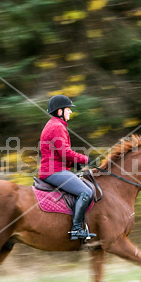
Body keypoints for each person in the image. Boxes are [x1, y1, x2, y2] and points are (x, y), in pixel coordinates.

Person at [39, 95, 96, 240]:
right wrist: (85, 159)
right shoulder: (57, 127)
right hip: (54, 171)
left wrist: (75, 163)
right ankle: (76, 228)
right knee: (85, 191)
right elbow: (65, 153)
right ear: (59, 112)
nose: (70, 112)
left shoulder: (54, 125)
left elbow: (59, 154)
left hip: (56, 168)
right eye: (68, 109)